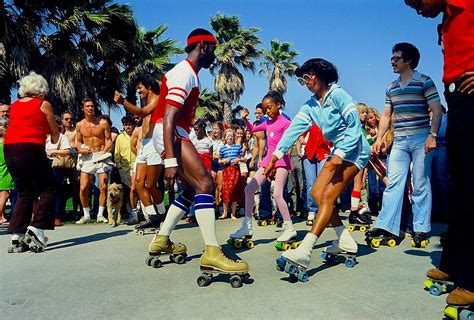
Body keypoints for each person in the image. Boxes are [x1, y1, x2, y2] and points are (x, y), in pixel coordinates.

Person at [149, 28, 248, 275]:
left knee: (189, 190)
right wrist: (170, 159)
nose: (214, 56)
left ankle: (161, 239)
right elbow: (169, 116)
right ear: (203, 46)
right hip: (170, 133)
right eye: (213, 49)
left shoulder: (189, 73)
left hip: (171, 134)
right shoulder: (185, 73)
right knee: (205, 183)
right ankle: (212, 252)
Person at [265, 58, 370, 273]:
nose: (305, 82)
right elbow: (293, 130)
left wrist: (340, 154)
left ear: (321, 75)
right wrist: (274, 158)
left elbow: (354, 125)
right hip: (338, 152)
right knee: (315, 194)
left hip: (355, 149)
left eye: (308, 76)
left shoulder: (339, 95)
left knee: (327, 197)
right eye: (302, 79)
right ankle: (346, 240)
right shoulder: (311, 106)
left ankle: (305, 250)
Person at [405, 0, 474, 307]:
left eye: (416, 0)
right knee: (458, 187)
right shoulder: (448, 16)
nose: (417, 8)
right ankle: (454, 263)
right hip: (458, 100)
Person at [366, 42, 442, 247]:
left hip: (421, 138)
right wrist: (380, 138)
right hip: (399, 139)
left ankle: (420, 228)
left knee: (420, 182)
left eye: (396, 58)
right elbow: (386, 115)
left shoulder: (424, 81)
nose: (392, 61)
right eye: (392, 58)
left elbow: (436, 109)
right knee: (393, 183)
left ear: (408, 60)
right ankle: (387, 226)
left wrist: (432, 135)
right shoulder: (391, 87)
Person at [230, 91, 295, 245]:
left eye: (270, 107)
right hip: (267, 161)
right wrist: (244, 119)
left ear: (278, 105)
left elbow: (289, 143)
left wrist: (276, 162)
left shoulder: (286, 123)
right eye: (265, 108)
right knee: (249, 189)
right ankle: (247, 226)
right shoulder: (267, 122)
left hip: (281, 161)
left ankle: (289, 228)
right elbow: (253, 130)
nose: (267, 111)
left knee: (278, 194)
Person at [4, 71, 59, 252]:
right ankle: (37, 227)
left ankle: (16, 234)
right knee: (49, 187)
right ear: (41, 90)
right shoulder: (43, 104)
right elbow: (54, 132)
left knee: (25, 191)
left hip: (10, 148)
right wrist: (53, 137)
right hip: (31, 147)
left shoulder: (14, 105)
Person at [114, 74, 166, 230]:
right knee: (137, 184)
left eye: (140, 87)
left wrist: (123, 101)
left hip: (155, 145)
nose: (138, 91)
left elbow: (143, 112)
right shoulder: (147, 101)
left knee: (150, 185)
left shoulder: (156, 98)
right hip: (144, 144)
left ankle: (163, 215)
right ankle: (153, 216)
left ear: (149, 87)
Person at [75, 98, 113, 224]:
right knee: (83, 187)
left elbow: (109, 140)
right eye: (87, 106)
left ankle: (100, 215)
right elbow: (78, 141)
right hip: (88, 157)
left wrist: (104, 151)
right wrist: (80, 149)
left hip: (101, 155)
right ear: (83, 108)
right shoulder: (79, 125)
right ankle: (86, 215)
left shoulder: (102, 123)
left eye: (92, 106)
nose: (90, 108)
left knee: (103, 186)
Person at [46, 116, 73, 227]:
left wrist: (54, 151)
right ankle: (45, 215)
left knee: (56, 191)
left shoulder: (62, 137)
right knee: (44, 192)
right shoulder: (45, 138)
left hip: (57, 165)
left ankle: (57, 216)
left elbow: (67, 151)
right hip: (45, 164)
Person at [218, 128, 245, 220]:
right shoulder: (222, 148)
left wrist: (238, 159)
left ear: (234, 138)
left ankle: (233, 214)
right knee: (225, 190)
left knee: (234, 191)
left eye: (231, 136)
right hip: (226, 170)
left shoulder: (237, 147)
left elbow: (243, 158)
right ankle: (225, 212)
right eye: (228, 136)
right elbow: (219, 160)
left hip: (235, 170)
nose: (229, 137)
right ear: (225, 138)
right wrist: (224, 160)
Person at [114, 115, 137, 222]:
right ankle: (131, 212)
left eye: (129, 124)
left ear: (133, 125)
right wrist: (119, 166)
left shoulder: (137, 134)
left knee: (138, 189)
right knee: (128, 191)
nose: (127, 127)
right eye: (125, 125)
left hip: (136, 166)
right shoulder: (120, 137)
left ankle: (144, 212)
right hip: (124, 168)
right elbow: (117, 153)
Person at [0, 118, 13, 225]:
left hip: (2, 170)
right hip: (4, 171)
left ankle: (2, 216)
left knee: (3, 195)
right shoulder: (3, 144)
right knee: (5, 195)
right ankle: (0, 216)